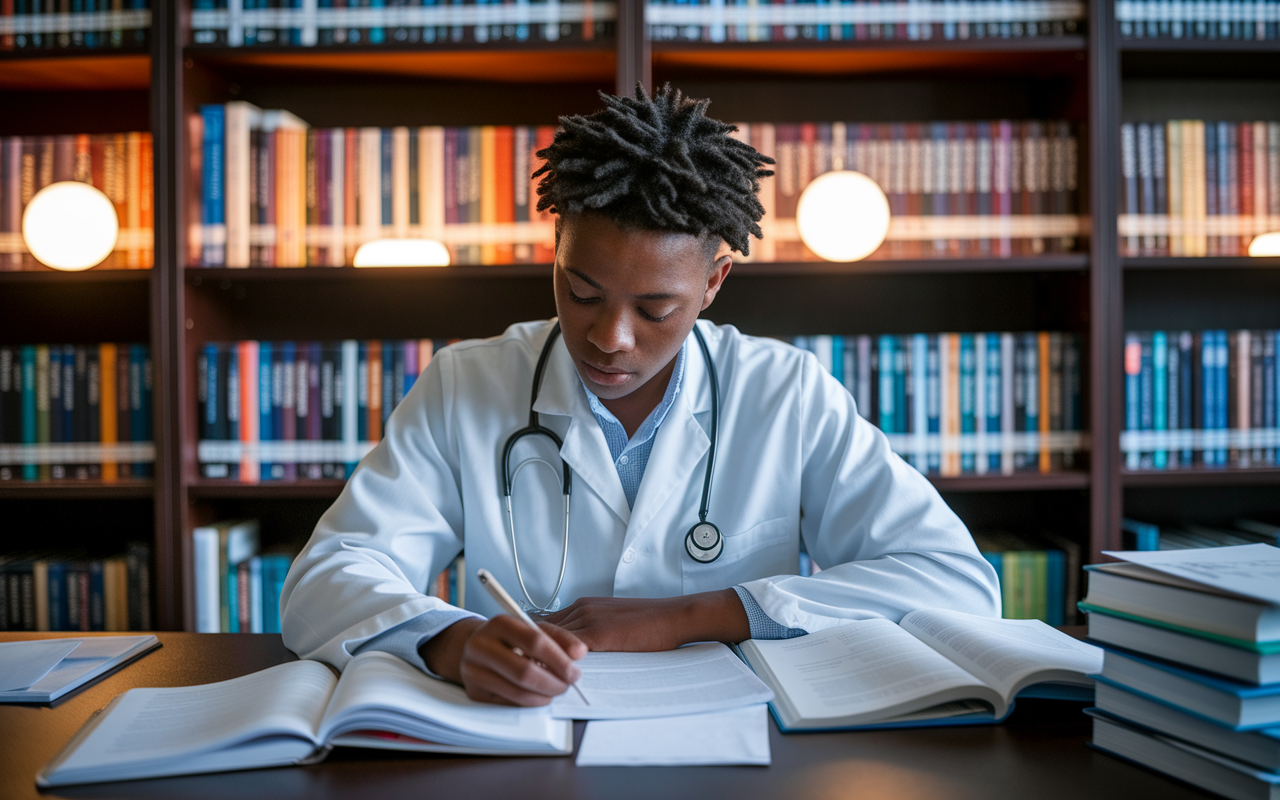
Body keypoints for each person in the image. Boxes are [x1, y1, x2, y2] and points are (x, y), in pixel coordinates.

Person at [280, 84, 1001, 708]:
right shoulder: (467, 383)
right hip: (525, 741)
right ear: (556, 245)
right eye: (581, 292)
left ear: (715, 282)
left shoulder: (785, 392)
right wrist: (451, 641)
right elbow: (324, 582)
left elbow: (955, 584)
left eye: (656, 308)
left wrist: (693, 614)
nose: (610, 338)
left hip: (738, 745)